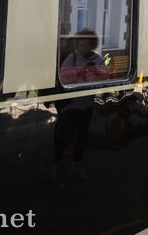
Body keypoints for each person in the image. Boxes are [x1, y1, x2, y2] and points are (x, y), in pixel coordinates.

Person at [55, 29, 108, 183]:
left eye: (86, 45)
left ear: (92, 45)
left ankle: (76, 164)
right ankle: (59, 162)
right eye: (80, 45)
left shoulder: (97, 59)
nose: (82, 48)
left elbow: (105, 76)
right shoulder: (72, 57)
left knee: (82, 135)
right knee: (65, 133)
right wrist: (80, 72)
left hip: (86, 104)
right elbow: (63, 76)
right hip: (70, 104)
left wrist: (95, 71)